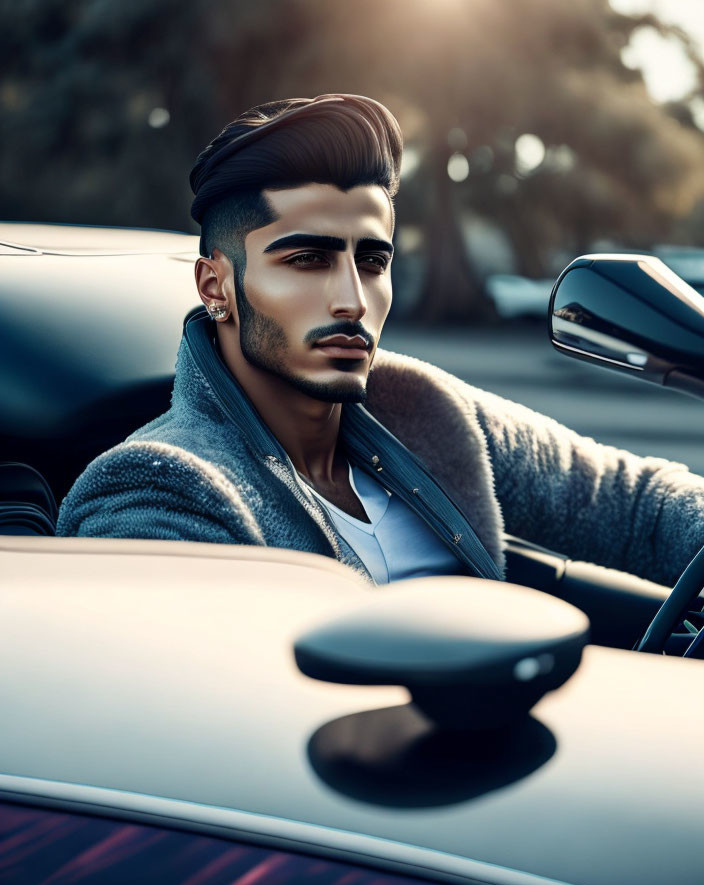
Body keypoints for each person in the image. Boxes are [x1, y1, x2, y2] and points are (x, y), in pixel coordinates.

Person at [56, 93, 704, 587]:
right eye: (307, 259)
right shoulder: (157, 489)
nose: (353, 299)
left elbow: (637, 503)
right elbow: (207, 728)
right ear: (216, 286)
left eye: (371, 261)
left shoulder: (421, 408)